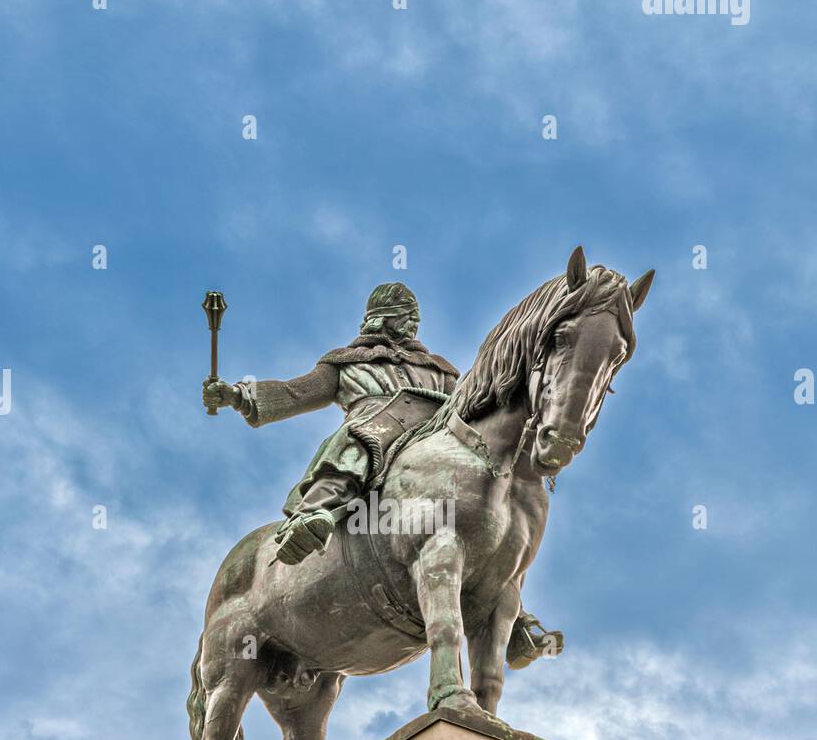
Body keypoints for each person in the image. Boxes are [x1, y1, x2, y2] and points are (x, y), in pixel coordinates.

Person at [203, 281, 562, 667]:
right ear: (380, 319)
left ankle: (514, 614)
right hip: (376, 428)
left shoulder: (440, 371)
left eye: (415, 320)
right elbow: (294, 393)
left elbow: (474, 405)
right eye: (404, 318)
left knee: (500, 502)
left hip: (438, 440)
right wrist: (240, 395)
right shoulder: (348, 364)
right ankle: (315, 514)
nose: (411, 327)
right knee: (359, 440)